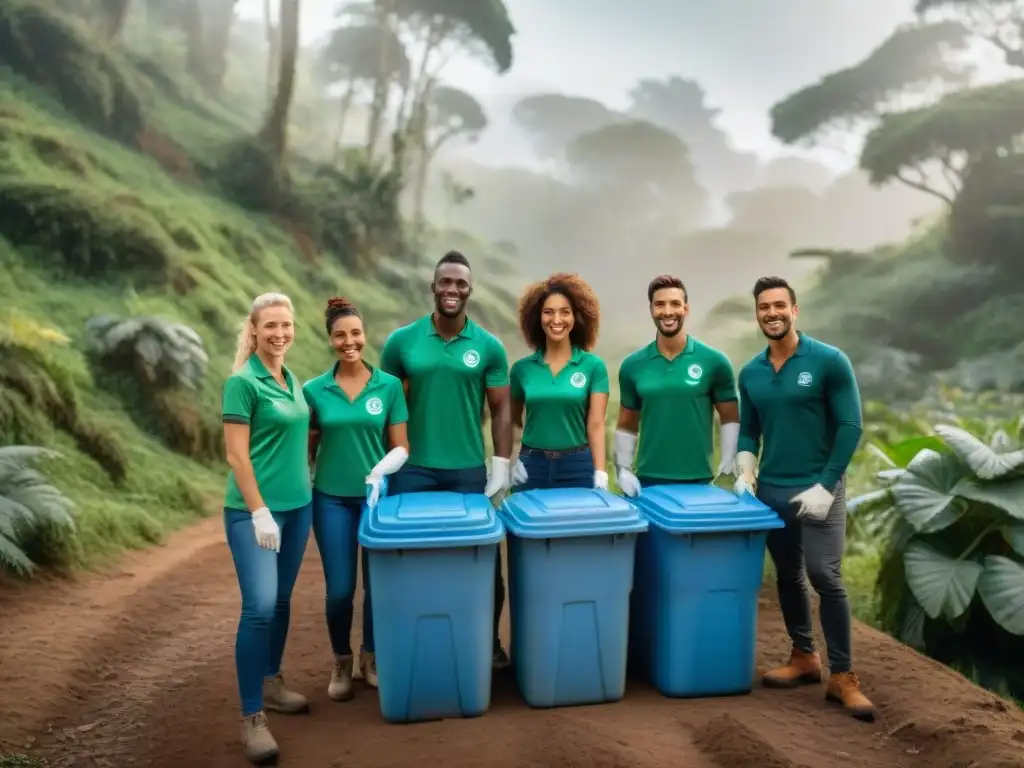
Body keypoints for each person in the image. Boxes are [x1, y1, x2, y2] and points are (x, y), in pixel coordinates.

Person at [733, 275, 874, 722]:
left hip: (819, 488)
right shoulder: (751, 371)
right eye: (763, 307)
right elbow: (751, 427)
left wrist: (827, 484)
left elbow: (851, 425)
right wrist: (745, 466)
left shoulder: (830, 361)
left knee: (824, 574)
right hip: (772, 488)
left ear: (795, 311)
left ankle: (844, 676)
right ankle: (803, 657)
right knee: (788, 575)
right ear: (757, 314)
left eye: (779, 306)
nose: (771, 313)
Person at [379, 250, 514, 668]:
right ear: (433, 287)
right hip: (412, 471)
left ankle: (488, 642)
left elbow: (502, 410)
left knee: (484, 560)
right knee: (407, 558)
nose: (452, 289)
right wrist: (384, 465)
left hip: (466, 473)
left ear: (470, 289)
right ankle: (409, 643)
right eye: (445, 282)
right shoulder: (402, 342)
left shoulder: (488, 347)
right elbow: (386, 405)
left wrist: (502, 464)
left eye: (460, 283)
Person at [303, 297, 409, 700]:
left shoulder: (389, 386)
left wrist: (380, 471)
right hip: (330, 500)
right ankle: (342, 660)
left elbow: (400, 446)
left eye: (356, 334)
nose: (350, 342)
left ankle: (371, 656)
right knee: (341, 589)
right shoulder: (314, 391)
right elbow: (307, 449)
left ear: (365, 335)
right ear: (330, 339)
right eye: (340, 335)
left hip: (376, 498)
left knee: (377, 584)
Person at [222, 292, 312, 765]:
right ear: (254, 330)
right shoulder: (242, 383)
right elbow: (237, 454)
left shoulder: (292, 379)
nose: (279, 334)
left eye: (286, 325)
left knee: (280, 600)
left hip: (300, 508)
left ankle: (272, 681)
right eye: (270, 326)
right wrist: (259, 511)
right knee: (258, 606)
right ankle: (252, 715)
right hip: (253, 512)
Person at [613, 275, 739, 495]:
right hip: (648, 482)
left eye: (675, 304)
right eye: (660, 304)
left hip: (700, 480)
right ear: (651, 309)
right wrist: (622, 468)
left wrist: (728, 464)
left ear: (686, 309)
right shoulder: (633, 365)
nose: (668, 311)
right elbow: (627, 424)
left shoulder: (714, 361)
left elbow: (730, 416)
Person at [509, 272, 609, 490]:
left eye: (565, 312)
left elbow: (596, 424)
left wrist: (600, 471)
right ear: (538, 317)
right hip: (531, 465)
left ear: (576, 316)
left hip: (578, 465)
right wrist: (511, 460)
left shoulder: (593, 366)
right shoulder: (521, 370)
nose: (556, 320)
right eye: (548, 312)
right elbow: (514, 422)